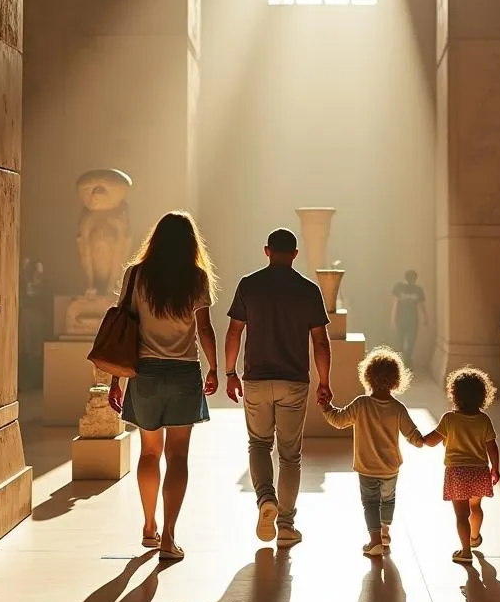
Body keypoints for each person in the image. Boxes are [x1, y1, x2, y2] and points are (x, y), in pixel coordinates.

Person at [107, 211, 218, 561]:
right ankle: (169, 537)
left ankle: (149, 526)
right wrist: (216, 368)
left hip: (145, 373)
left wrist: (115, 378)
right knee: (178, 456)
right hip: (184, 373)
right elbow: (204, 330)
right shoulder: (197, 278)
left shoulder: (136, 274)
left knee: (149, 453)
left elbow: (122, 327)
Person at [224, 228, 332, 547]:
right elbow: (320, 342)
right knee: (290, 456)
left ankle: (265, 500)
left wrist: (230, 371)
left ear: (267, 251)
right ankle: (285, 525)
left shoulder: (249, 285)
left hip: (256, 380)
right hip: (294, 381)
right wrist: (325, 381)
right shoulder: (308, 290)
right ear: (295, 254)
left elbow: (233, 333)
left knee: (258, 444)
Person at [318, 347, 425, 557]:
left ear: (367, 376)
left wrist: (326, 407)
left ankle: (374, 540)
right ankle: (385, 533)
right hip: (390, 468)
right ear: (396, 380)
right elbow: (414, 436)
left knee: (370, 503)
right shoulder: (398, 408)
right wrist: (424, 440)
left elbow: (338, 421)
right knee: (388, 500)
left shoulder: (362, 404)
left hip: (366, 468)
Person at [421, 367, 500, 564]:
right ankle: (475, 537)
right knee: (476, 507)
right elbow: (492, 447)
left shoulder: (450, 419)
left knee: (461, 514)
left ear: (454, 394)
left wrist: (418, 439)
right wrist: (495, 468)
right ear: (483, 395)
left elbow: (431, 441)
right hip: (479, 471)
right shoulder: (484, 420)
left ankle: (465, 551)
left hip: (457, 473)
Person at [390, 270, 427, 368]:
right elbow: (395, 303)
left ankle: (407, 362)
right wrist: (393, 319)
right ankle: (400, 363)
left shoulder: (418, 290)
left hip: (412, 319)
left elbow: (421, 305)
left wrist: (425, 317)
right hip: (401, 318)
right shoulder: (399, 287)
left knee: (411, 341)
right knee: (400, 341)